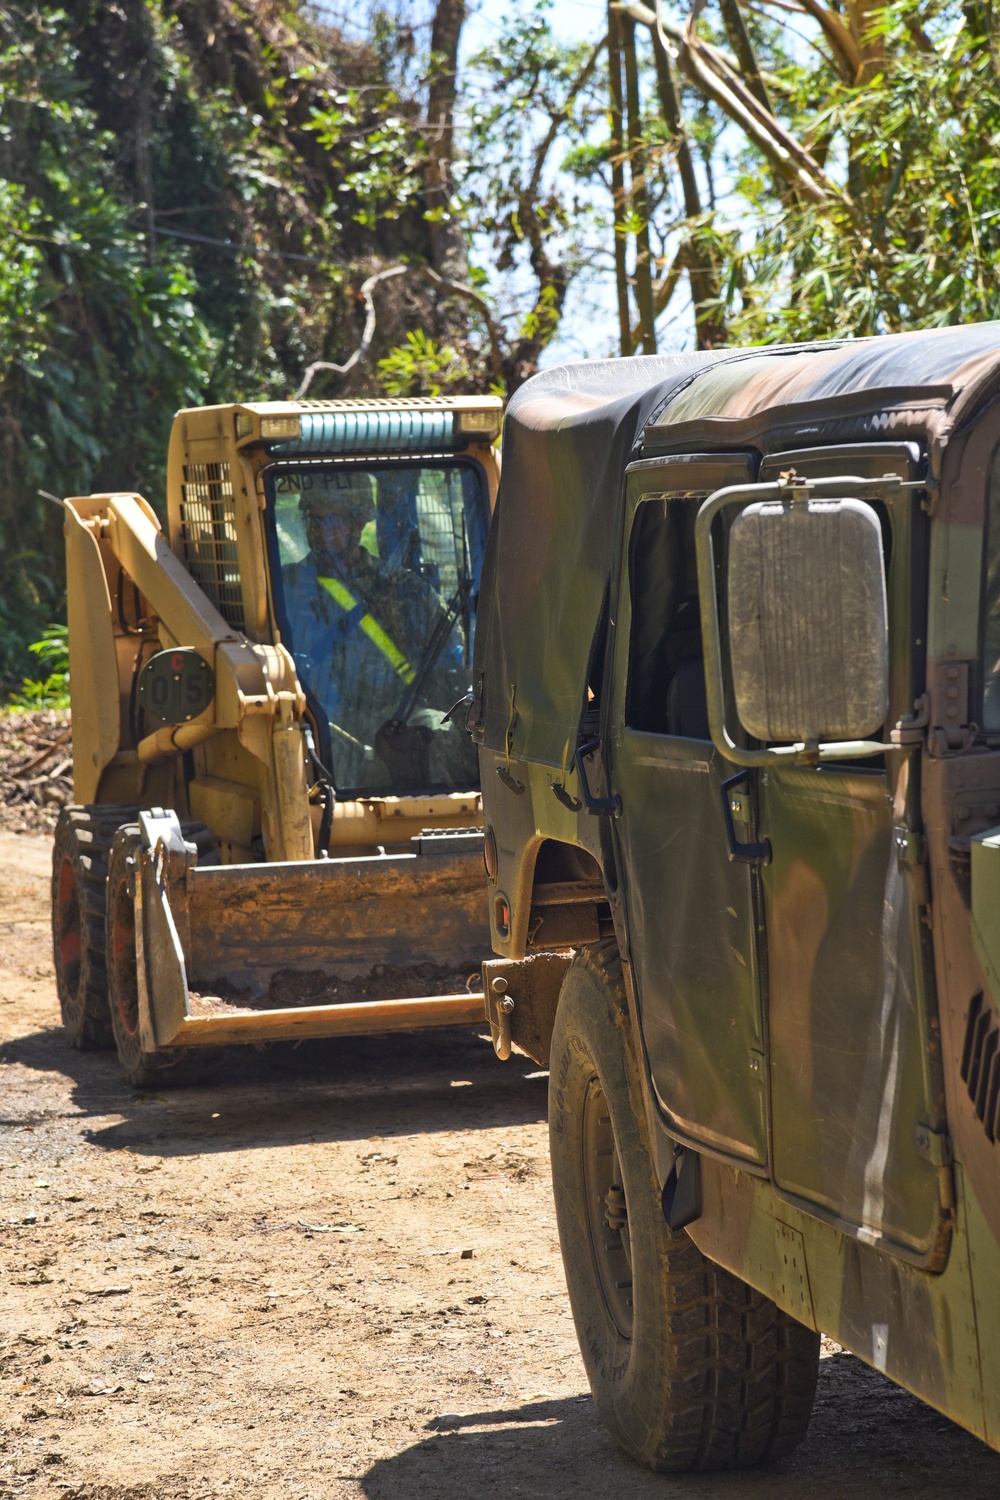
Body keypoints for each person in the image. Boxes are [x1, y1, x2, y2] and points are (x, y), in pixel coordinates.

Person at [278, 468, 476, 793]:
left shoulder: (404, 591)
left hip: (395, 716)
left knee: (441, 735)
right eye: (315, 519)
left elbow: (452, 666)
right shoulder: (283, 588)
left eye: (335, 520)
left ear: (360, 521)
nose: (322, 531)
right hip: (313, 718)